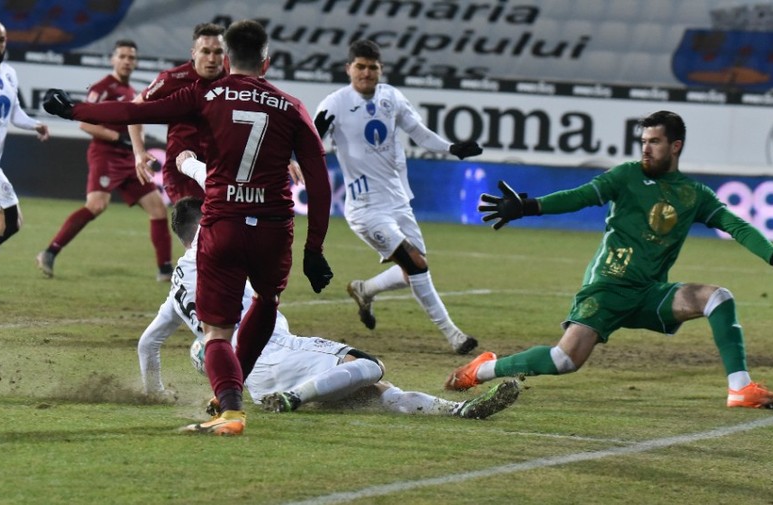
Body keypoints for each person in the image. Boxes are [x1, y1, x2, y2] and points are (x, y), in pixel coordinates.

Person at [43, 19, 334, 436]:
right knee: (266, 301)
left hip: (224, 224)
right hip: (274, 229)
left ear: (227, 60)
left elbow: (133, 111)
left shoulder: (205, 95)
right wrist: (314, 248)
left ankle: (230, 409)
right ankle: (229, 393)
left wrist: (74, 110)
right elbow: (319, 182)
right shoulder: (291, 106)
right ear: (266, 63)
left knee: (216, 331)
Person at [445, 110, 773, 410]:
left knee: (717, 297)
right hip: (608, 287)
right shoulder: (626, 176)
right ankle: (483, 368)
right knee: (564, 360)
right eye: (643, 141)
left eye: (655, 142)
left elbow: (737, 226)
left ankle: (740, 389)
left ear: (675, 146)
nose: (646, 148)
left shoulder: (694, 195)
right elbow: (581, 196)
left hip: (648, 293)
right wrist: (528, 206)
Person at [138, 196, 519, 421]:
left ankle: (458, 411)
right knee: (370, 365)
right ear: (205, 223)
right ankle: (294, 399)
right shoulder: (216, 253)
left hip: (249, 382)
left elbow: (148, 344)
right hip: (275, 351)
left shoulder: (176, 291)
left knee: (377, 391)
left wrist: (155, 391)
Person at [315, 39, 483, 355]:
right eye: (360, 67)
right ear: (348, 68)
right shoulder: (334, 104)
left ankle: (365, 289)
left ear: (381, 69)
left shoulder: (391, 96)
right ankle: (454, 335)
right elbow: (312, 140)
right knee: (416, 265)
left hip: (397, 200)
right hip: (366, 208)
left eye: (372, 67)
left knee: (414, 268)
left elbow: (418, 131)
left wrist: (451, 147)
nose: (366, 73)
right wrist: (296, 156)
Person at [35, 39, 173, 281]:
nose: (127, 61)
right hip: (106, 155)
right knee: (97, 205)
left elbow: (135, 122)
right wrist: (117, 138)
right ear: (113, 59)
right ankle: (49, 253)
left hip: (129, 159)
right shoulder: (102, 88)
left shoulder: (131, 92)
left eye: (131, 57)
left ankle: (165, 270)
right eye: (122, 56)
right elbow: (85, 123)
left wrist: (137, 148)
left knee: (158, 208)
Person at [0, 19, 50, 305]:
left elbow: (13, 112)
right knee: (11, 221)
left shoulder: (9, 74)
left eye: (0, 40)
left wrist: (35, 124)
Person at [128, 22, 225, 203]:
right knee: (197, 219)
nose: (212, 59)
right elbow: (134, 110)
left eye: (218, 52)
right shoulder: (172, 79)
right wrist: (139, 152)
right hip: (181, 171)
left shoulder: (234, 81)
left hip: (221, 168)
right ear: (193, 53)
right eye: (205, 51)